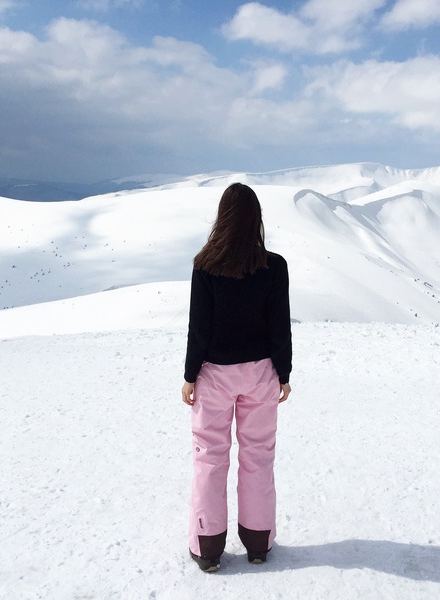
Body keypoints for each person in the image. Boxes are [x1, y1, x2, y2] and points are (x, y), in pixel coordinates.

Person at [182, 182, 292, 573]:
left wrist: (190, 375)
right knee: (258, 456)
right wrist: (284, 372)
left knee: (210, 458)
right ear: (256, 219)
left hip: (214, 375)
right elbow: (280, 325)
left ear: (222, 217)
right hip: (261, 372)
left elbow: (200, 329)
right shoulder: (274, 266)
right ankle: (258, 542)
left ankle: (208, 547)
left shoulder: (205, 265)